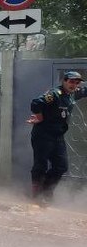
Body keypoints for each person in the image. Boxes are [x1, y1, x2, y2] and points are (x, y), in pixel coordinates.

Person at [27, 70, 86, 203]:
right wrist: (39, 116)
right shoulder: (54, 94)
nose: (74, 85)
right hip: (43, 135)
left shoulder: (72, 94)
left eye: (77, 83)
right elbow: (36, 102)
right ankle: (36, 197)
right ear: (64, 81)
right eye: (71, 81)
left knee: (61, 166)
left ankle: (45, 193)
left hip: (58, 136)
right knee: (40, 166)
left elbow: (84, 91)